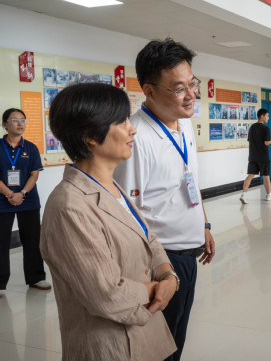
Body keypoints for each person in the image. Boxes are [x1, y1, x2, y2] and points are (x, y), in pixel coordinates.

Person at [40, 83, 177, 360]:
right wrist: (157, 290)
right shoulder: (69, 207)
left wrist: (168, 276)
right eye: (122, 121)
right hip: (111, 346)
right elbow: (107, 296)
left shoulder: (111, 187)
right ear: (91, 135)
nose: (132, 129)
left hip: (144, 336)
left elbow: (147, 238)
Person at [114, 38, 215, 361]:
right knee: (158, 350)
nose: (191, 94)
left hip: (187, 255)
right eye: (179, 88)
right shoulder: (136, 138)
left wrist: (204, 225)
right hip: (160, 263)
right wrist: (157, 271)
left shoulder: (184, 123)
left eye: (192, 84)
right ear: (150, 90)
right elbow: (125, 214)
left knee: (175, 341)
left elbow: (190, 180)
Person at [0, 108, 50, 296]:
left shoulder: (31, 148)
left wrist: (21, 193)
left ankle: (36, 277)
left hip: (28, 200)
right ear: (4, 124)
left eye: (23, 120)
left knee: (32, 240)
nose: (20, 124)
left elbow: (34, 174)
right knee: (1, 242)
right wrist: (9, 194)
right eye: (15, 120)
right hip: (2, 200)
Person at [240, 108, 271, 203]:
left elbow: (250, 141)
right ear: (262, 116)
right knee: (266, 176)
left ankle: (244, 194)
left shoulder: (251, 128)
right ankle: (269, 195)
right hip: (263, 157)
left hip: (253, 156)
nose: (268, 118)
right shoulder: (266, 128)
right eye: (267, 116)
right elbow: (266, 143)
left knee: (250, 176)